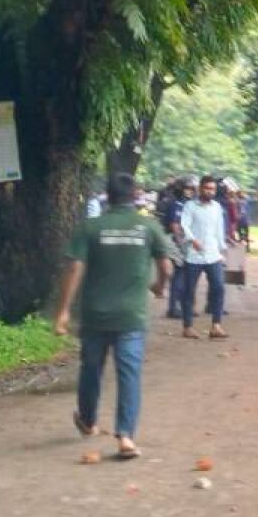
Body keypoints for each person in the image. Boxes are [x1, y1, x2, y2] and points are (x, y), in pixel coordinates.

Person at [53, 173, 172, 460]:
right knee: (128, 373)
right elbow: (166, 267)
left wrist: (64, 311)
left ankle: (88, 420)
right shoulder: (148, 227)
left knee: (91, 369)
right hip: (131, 316)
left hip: (95, 315)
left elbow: (74, 269)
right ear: (135, 196)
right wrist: (158, 287)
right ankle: (126, 437)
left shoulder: (91, 227)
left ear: (108, 195)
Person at [179, 175, 229, 339]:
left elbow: (219, 230)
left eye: (212, 189)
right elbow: (184, 225)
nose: (210, 192)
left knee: (219, 288)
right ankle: (187, 326)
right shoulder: (190, 206)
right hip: (194, 255)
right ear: (200, 189)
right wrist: (193, 240)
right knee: (189, 291)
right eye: (207, 188)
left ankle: (216, 325)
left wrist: (223, 250)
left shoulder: (216, 207)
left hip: (213, 254)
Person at [162, 175, 195, 319]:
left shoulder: (185, 203)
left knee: (182, 276)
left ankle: (182, 306)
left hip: (181, 241)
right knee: (179, 276)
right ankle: (174, 308)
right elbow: (175, 225)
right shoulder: (178, 204)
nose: (191, 191)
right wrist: (181, 243)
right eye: (188, 188)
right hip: (176, 242)